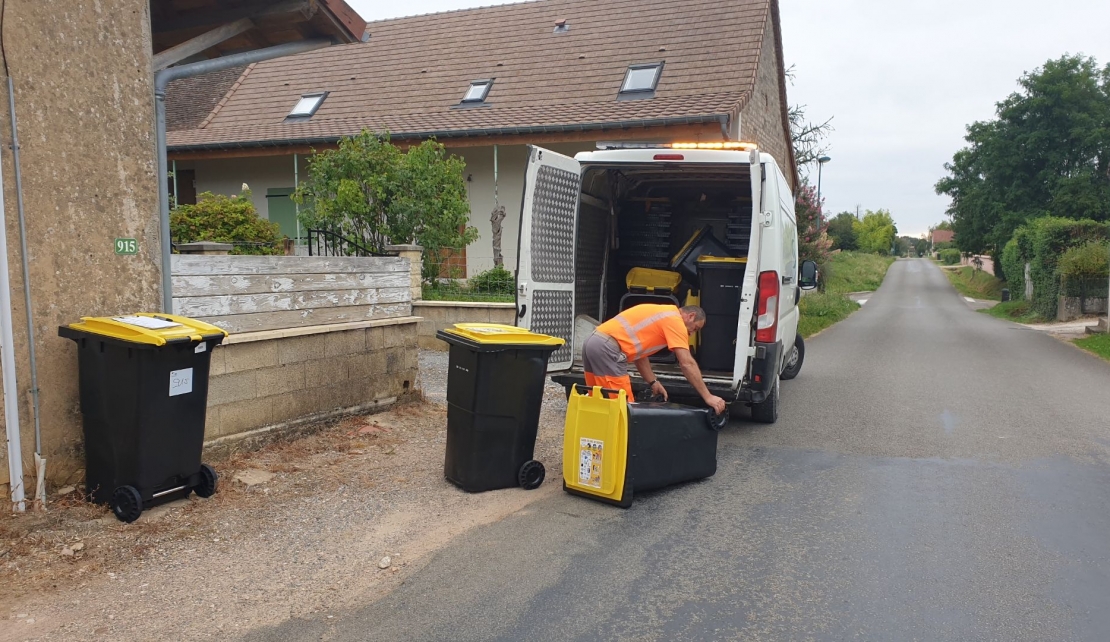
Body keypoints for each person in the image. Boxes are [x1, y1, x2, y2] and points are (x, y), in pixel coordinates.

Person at [582, 303, 727, 415]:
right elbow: (687, 363)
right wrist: (708, 397)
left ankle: (598, 441)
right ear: (691, 316)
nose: (691, 334)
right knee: (621, 407)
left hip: (593, 342)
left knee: (598, 400)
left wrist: (653, 382)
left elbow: (640, 356)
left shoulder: (662, 313)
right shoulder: (675, 321)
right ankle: (621, 449)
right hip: (607, 349)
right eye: (695, 328)